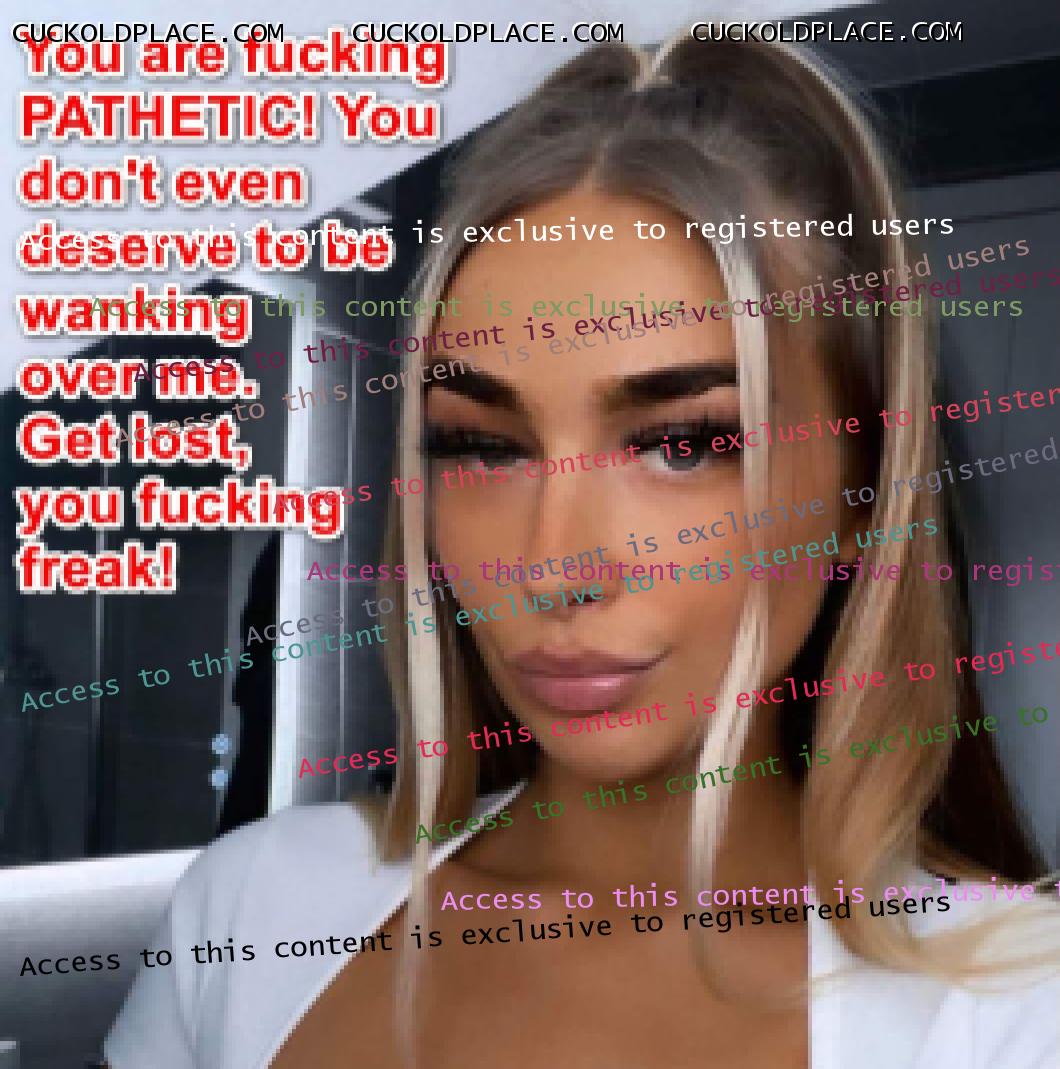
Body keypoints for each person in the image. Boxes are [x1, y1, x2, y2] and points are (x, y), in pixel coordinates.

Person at [106, 30, 1060, 1069]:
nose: (553, 565)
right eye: (483, 447)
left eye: (682, 444)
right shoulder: (251, 914)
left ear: (861, 492)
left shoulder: (1015, 1012)